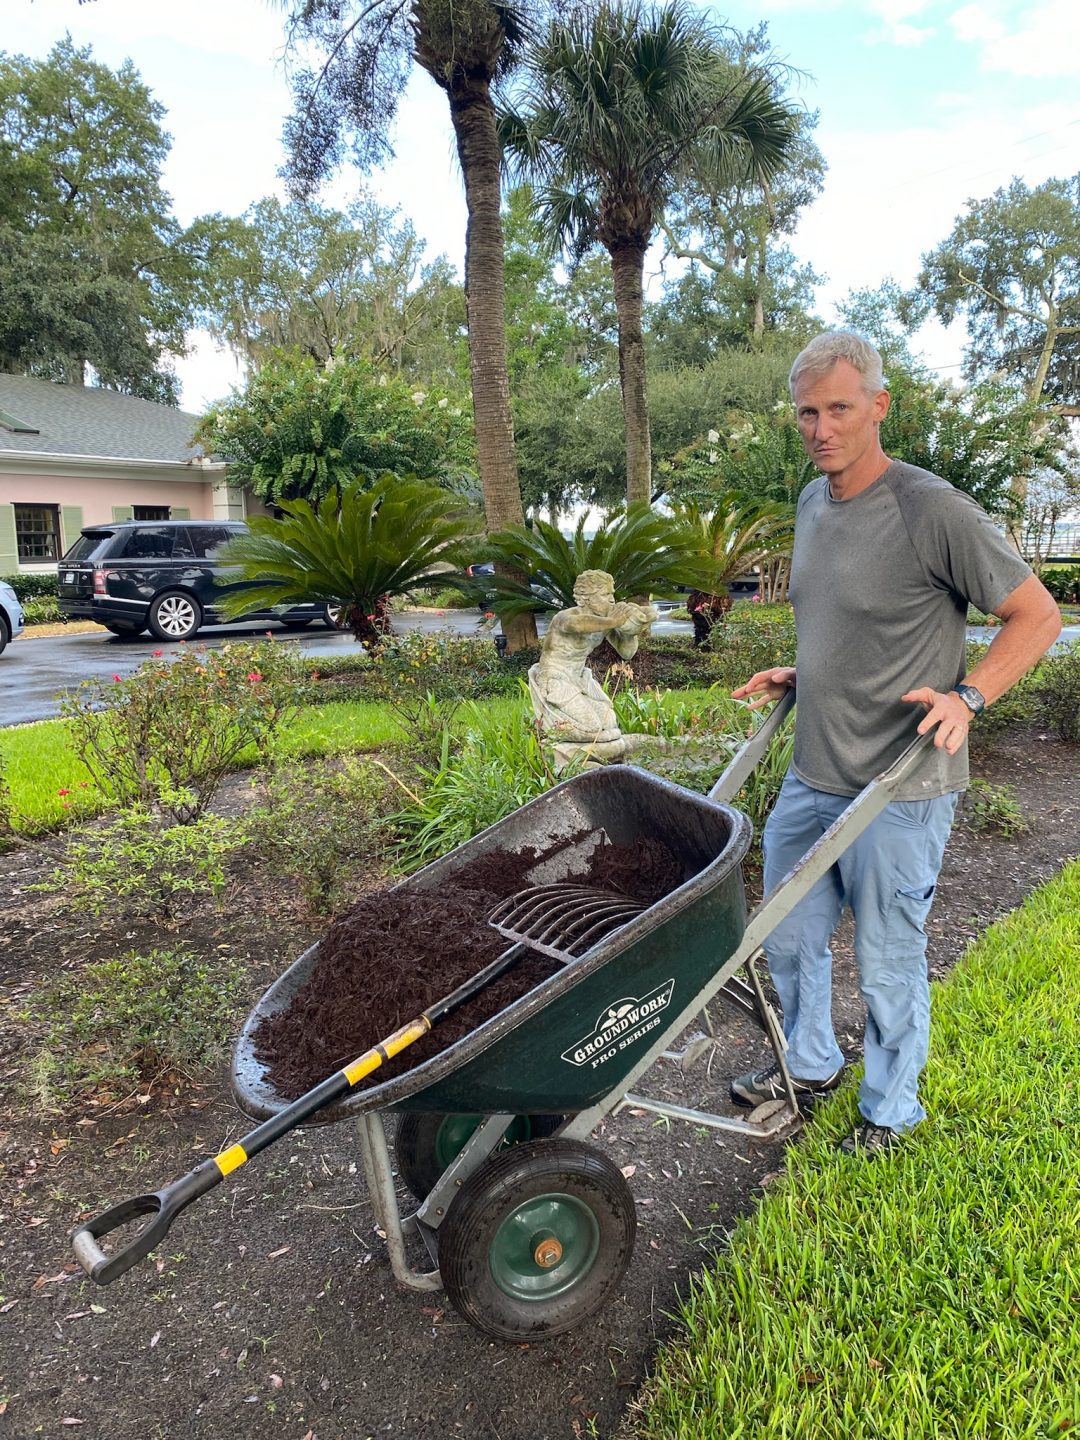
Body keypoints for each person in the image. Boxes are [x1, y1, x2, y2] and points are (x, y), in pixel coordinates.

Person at [729, 330, 1062, 1155]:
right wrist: (804, 675)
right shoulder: (814, 502)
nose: (821, 428)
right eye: (807, 412)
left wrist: (970, 695)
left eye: (840, 408)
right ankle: (809, 1064)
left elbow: (1038, 615)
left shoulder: (932, 509)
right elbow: (850, 621)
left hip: (901, 785)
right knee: (791, 935)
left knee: (887, 956)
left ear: (880, 405)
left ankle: (890, 1109)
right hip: (814, 774)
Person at [528, 570, 655, 760]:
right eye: (605, 595)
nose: (612, 600)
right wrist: (614, 621)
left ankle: (600, 742)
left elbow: (627, 653)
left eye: (612, 594)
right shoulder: (566, 618)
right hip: (555, 677)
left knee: (609, 722)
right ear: (585, 599)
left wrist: (632, 629)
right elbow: (579, 625)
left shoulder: (605, 621)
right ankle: (556, 735)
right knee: (593, 727)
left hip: (579, 678)